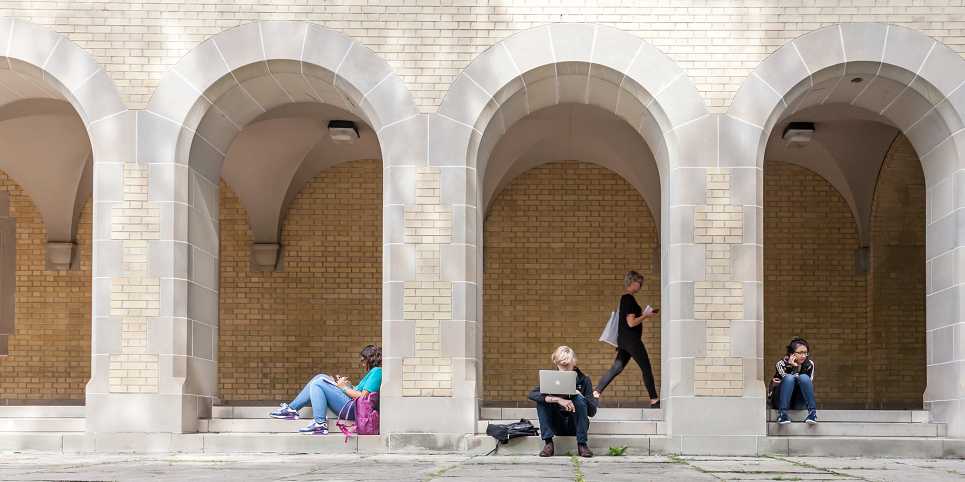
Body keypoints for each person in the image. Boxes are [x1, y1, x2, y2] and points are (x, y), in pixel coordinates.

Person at [269, 344, 382, 434]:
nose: (362, 364)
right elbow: (359, 392)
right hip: (352, 405)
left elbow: (363, 397)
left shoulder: (377, 371)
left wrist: (344, 388)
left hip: (354, 409)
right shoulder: (374, 372)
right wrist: (347, 386)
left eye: (363, 361)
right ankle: (291, 409)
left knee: (318, 383)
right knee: (321, 377)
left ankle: (319, 423)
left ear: (370, 359)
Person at [594, 271, 660, 408]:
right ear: (632, 282)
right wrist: (646, 315)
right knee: (646, 368)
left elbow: (629, 320)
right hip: (632, 341)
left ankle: (595, 393)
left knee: (616, 367)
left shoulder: (626, 299)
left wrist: (643, 315)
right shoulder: (628, 299)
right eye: (639, 282)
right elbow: (631, 323)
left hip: (624, 341)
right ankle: (654, 400)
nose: (640, 285)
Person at [528, 346, 598, 458]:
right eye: (562, 365)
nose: (564, 369)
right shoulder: (551, 380)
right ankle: (548, 444)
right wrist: (558, 399)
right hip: (557, 424)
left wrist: (579, 395)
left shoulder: (584, 380)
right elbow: (532, 394)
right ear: (556, 363)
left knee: (578, 399)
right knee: (542, 399)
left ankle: (582, 444)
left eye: (567, 365)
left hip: (575, 425)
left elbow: (592, 412)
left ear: (574, 362)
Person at [770, 337, 818, 425]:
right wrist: (794, 367)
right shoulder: (781, 364)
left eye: (805, 353)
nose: (803, 356)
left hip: (798, 402)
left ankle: (812, 413)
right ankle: (782, 414)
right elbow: (788, 381)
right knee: (789, 378)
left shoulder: (809, 364)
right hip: (780, 400)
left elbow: (808, 383)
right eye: (800, 353)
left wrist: (797, 368)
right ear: (792, 353)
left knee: (804, 377)